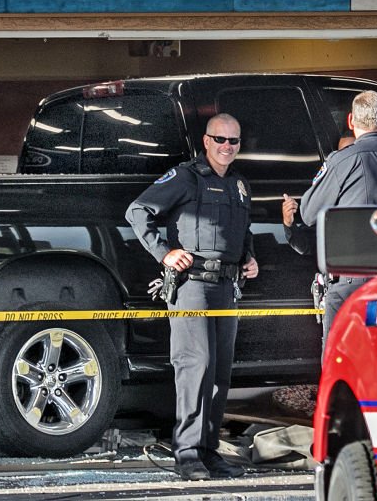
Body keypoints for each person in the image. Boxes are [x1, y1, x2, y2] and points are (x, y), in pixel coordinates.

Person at [125, 113, 259, 481]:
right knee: (195, 367)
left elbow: (240, 232)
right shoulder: (186, 177)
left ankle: (209, 451)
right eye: (221, 140)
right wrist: (164, 252)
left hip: (227, 288)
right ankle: (186, 454)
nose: (227, 147)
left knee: (219, 375)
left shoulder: (239, 185)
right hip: (192, 287)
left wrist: (249, 259)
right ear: (206, 141)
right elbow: (137, 211)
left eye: (234, 141)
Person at [282, 90, 377, 350]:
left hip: (353, 287)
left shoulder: (342, 162)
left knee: (345, 366)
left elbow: (307, 214)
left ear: (351, 121)